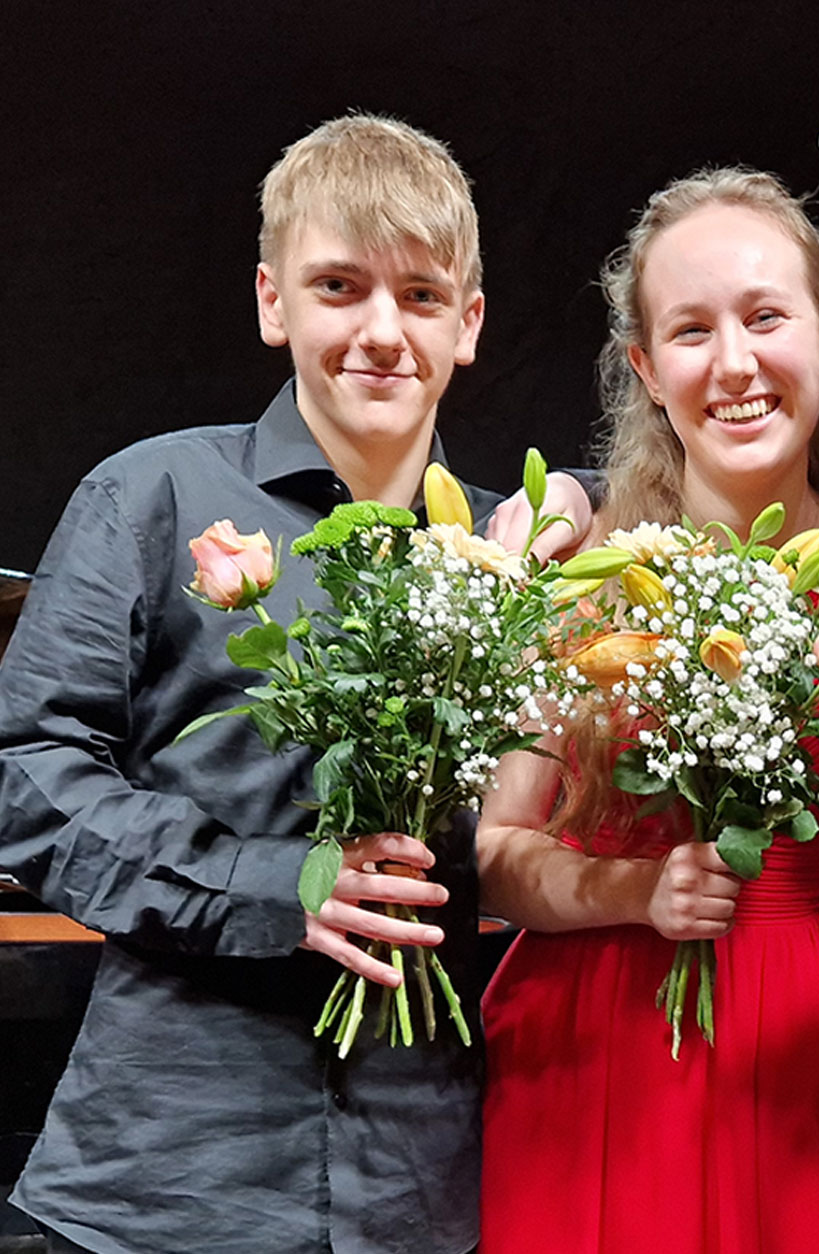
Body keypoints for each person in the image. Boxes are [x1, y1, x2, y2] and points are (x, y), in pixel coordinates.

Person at [0, 115, 592, 1254]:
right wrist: (281, 887)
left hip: (426, 1187)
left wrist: (581, 497)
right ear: (274, 302)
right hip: (162, 1187)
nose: (382, 331)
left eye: (421, 295)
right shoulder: (154, 494)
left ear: (468, 325)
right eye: (339, 286)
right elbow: (24, 774)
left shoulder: (512, 566)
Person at [474, 167, 819, 1254]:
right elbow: (496, 853)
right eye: (690, 330)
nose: (734, 363)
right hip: (580, 1044)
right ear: (646, 367)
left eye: (765, 317)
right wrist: (635, 890)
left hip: (770, 1040)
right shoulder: (582, 565)